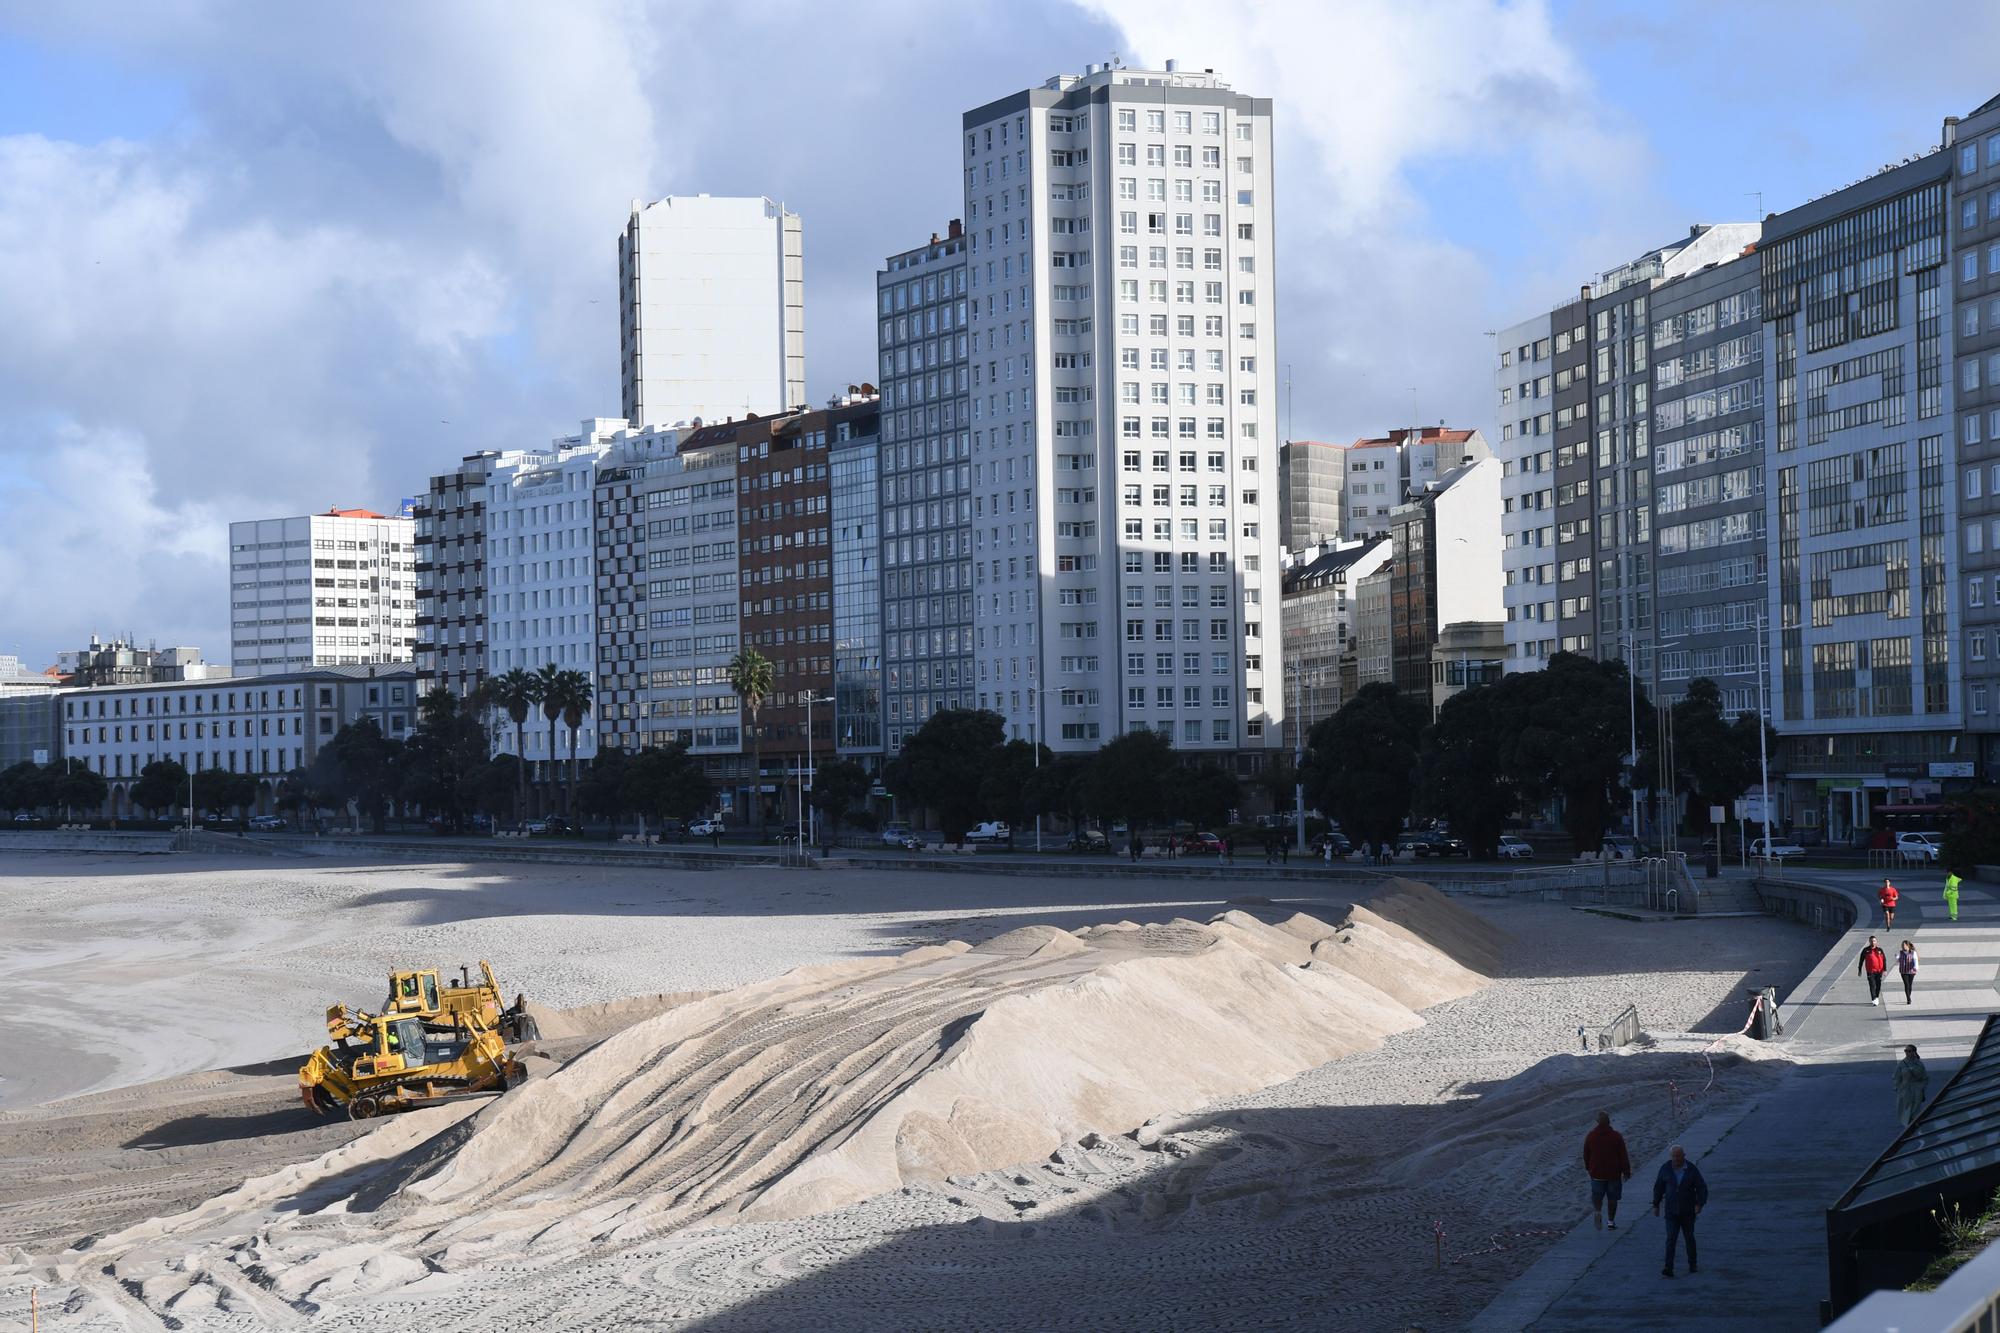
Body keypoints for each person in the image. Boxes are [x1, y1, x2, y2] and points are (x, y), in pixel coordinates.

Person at [1652, 1144, 1708, 1278]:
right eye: (1674, 1156)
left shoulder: (1691, 1169)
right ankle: (1668, 1267)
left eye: (1678, 1156)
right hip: (1671, 1211)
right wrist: (1656, 1204)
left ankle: (1692, 1263)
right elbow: (1658, 1187)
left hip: (1688, 1211)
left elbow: (1701, 1187)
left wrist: (1699, 1204)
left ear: (1684, 1156)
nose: (1676, 1158)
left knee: (1689, 1238)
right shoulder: (1665, 1168)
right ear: (1671, 1157)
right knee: (1671, 1238)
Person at [1583, 1110, 1633, 1230]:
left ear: (1597, 1122)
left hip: (1596, 1173)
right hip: (1613, 1173)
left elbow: (1586, 1154)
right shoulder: (1616, 1136)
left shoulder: (1591, 1136)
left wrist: (1589, 1168)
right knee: (1612, 1199)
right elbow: (1623, 1155)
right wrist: (1626, 1171)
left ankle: (1598, 1211)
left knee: (1597, 1196)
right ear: (1609, 1121)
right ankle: (1610, 1222)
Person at [1894, 1045, 1930, 1126]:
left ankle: (1913, 1123)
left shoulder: (1919, 1064)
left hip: (1916, 1089)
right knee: (1905, 1107)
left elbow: (1925, 1078)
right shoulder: (1902, 1064)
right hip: (1905, 1089)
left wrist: (1921, 1087)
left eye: (1909, 1051)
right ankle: (1908, 1124)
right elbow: (1896, 1077)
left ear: (1914, 1052)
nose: (1907, 1053)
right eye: (1905, 1051)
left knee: (1915, 1107)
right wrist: (1898, 1087)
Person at [1858, 935, 1888, 1006]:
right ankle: (1874, 999)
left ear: (1876, 942)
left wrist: (1885, 970)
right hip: (1870, 971)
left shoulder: (1880, 950)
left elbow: (1884, 960)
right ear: (1869, 942)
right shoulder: (1866, 950)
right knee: (1872, 985)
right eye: (1871, 941)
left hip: (1879, 971)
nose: (1873, 942)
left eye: (1874, 941)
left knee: (1878, 985)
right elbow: (1861, 960)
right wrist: (1859, 969)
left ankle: (1876, 997)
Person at [1897, 939, 1920, 1005]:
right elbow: (1899, 961)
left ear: (1908, 946)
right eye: (1902, 945)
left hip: (1911, 971)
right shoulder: (1901, 952)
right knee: (1906, 984)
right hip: (1903, 971)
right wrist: (1897, 958)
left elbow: (1916, 960)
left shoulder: (1913, 952)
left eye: (1904, 945)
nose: (1903, 947)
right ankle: (1908, 999)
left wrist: (1916, 968)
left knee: (1910, 985)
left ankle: (1908, 996)